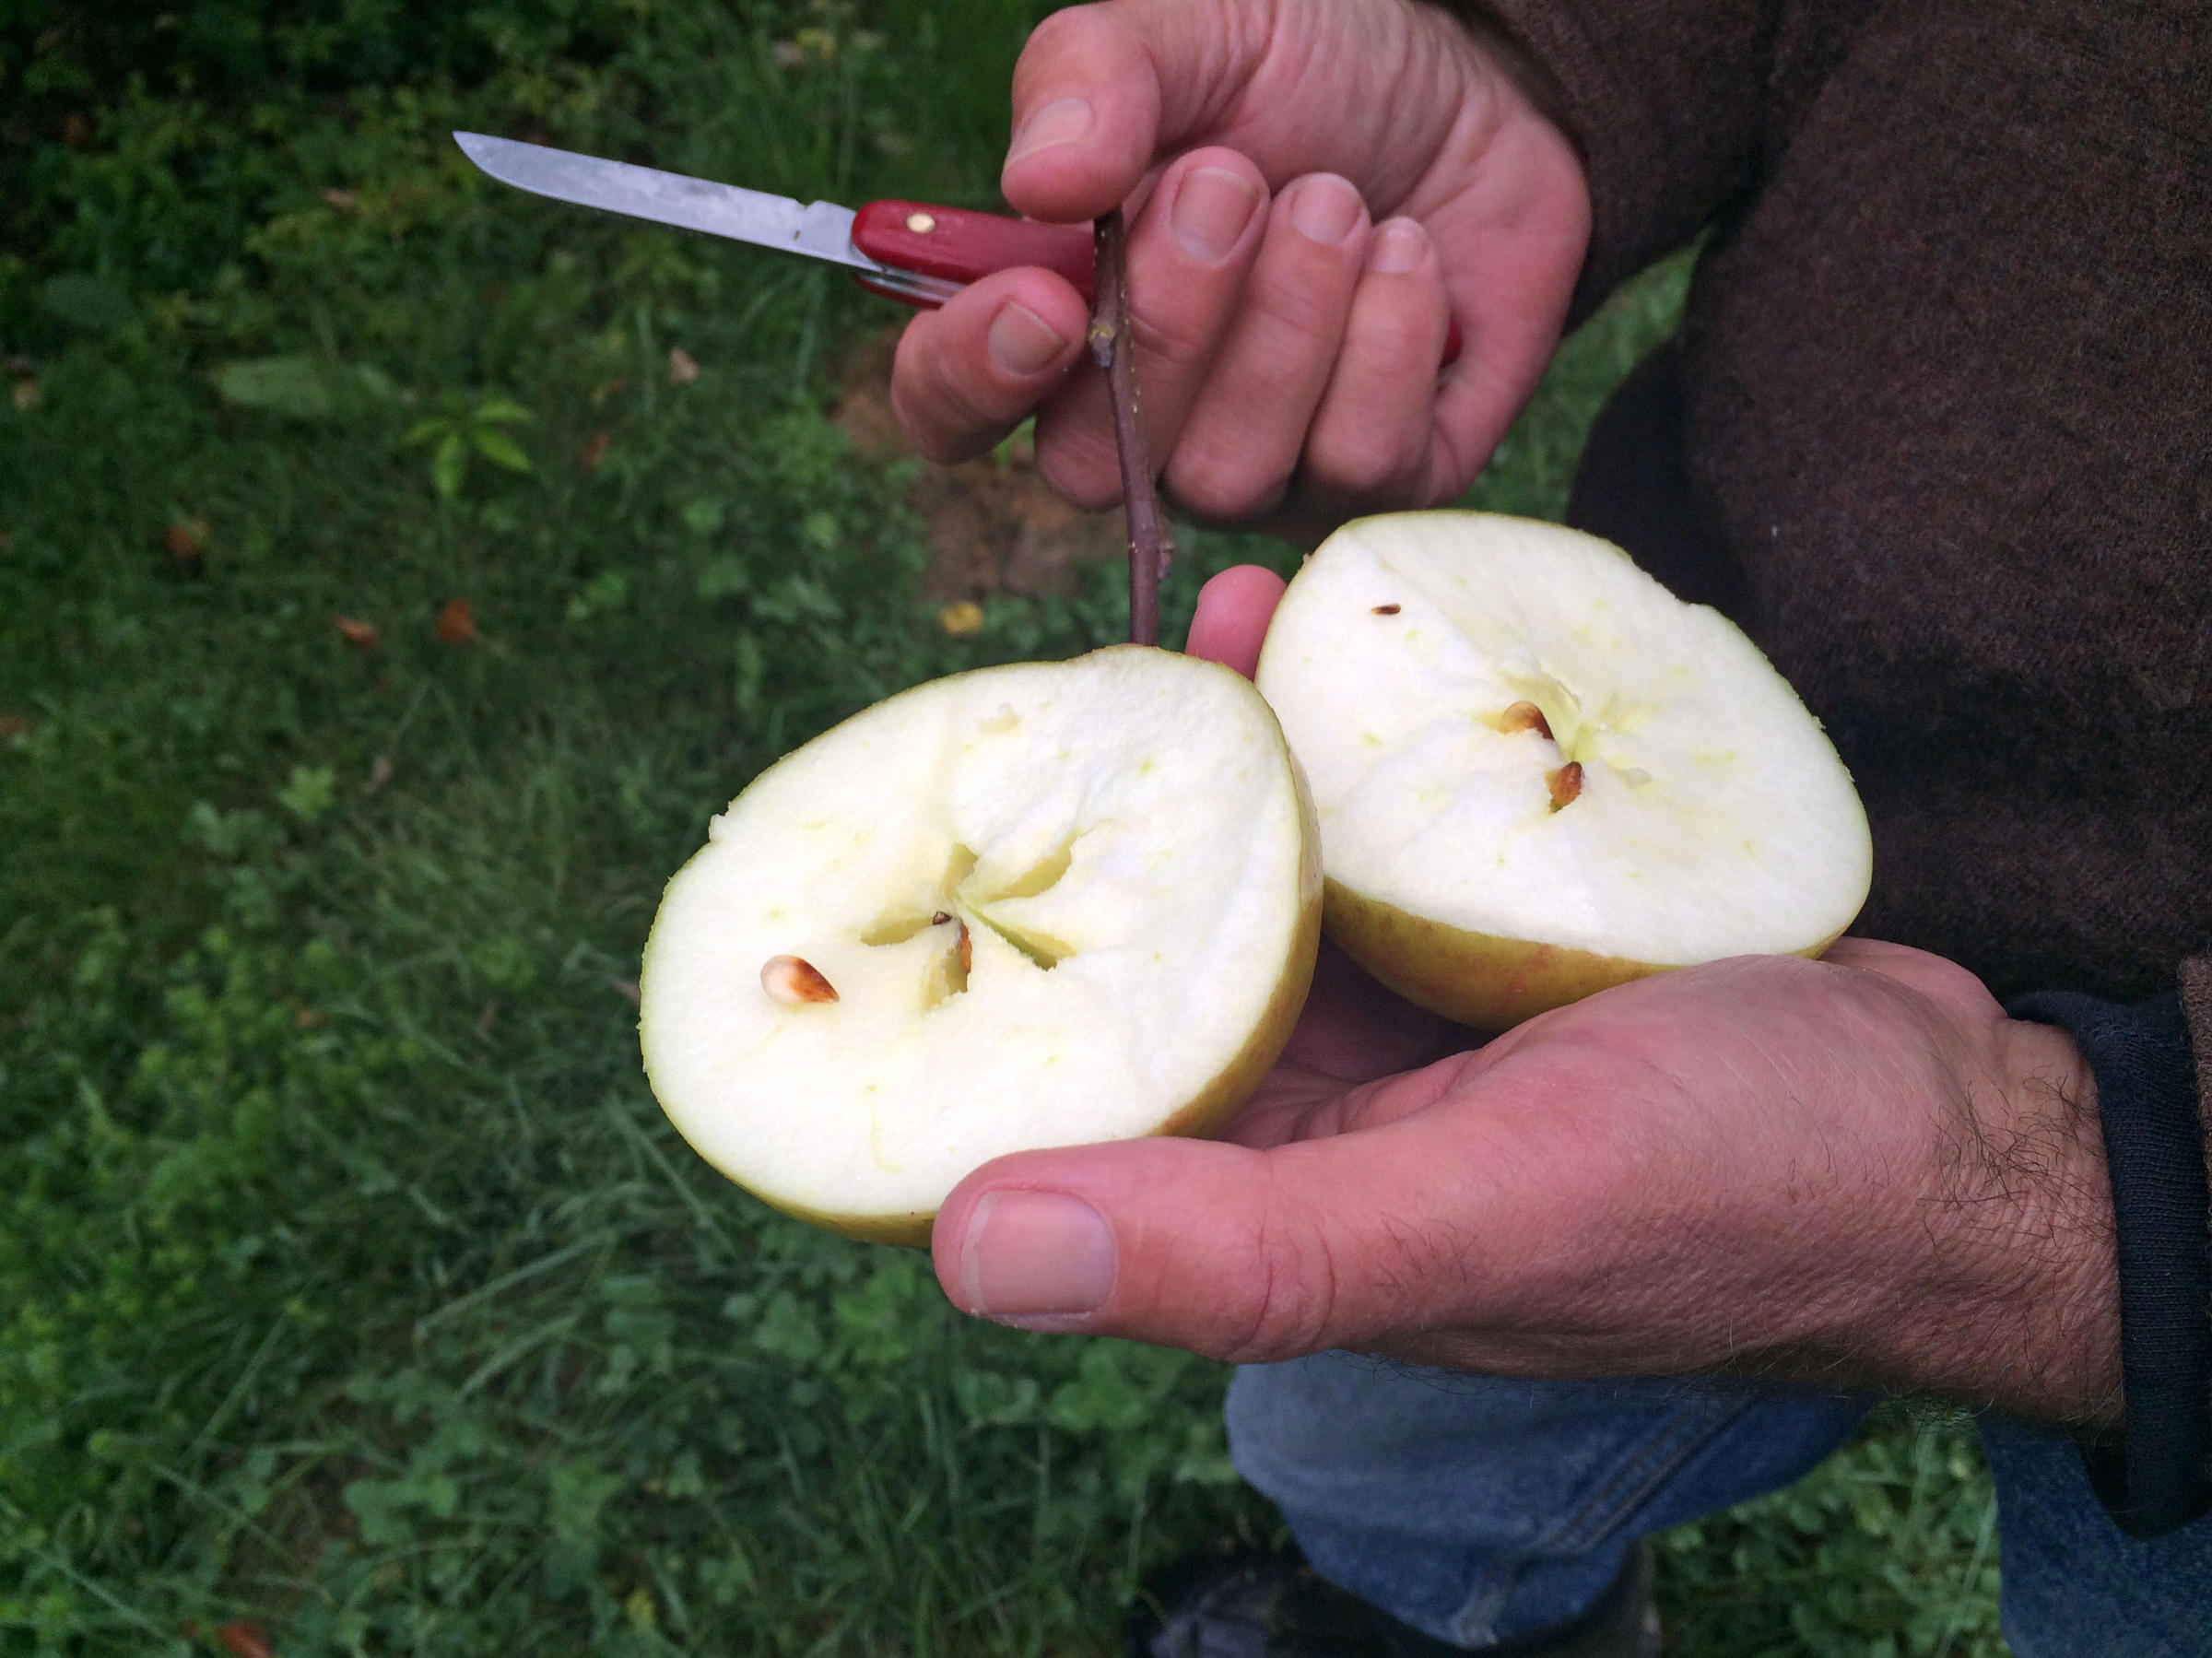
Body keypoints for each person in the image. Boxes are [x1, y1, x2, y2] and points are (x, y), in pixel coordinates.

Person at [887, 1, 2212, 1651]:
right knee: (1376, 1446)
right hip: (1626, 910)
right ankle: (1460, 1615)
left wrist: (2147, 1202)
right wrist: (1554, 82)